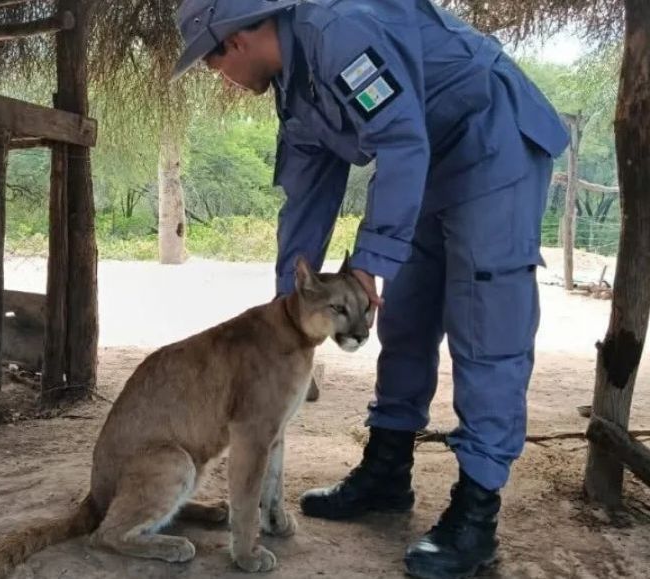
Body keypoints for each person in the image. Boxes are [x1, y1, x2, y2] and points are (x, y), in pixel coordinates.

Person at [172, 1, 570, 577]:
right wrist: (289, 305)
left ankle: (476, 516)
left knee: (487, 328)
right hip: (423, 171)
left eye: (213, 67)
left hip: (490, 146)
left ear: (234, 43)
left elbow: (402, 140)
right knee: (403, 313)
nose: (225, 82)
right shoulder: (296, 86)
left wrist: (369, 261)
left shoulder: (340, 35)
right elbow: (308, 195)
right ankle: (387, 470)